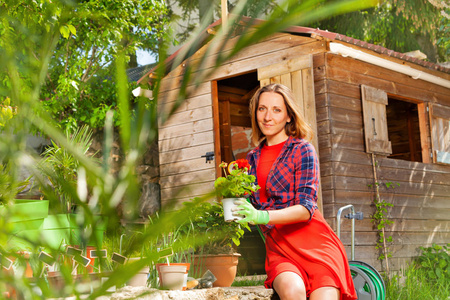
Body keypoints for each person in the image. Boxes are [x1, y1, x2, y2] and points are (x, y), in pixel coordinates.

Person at [234, 84, 357, 300]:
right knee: (292, 291)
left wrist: (261, 216)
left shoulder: (302, 150)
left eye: (277, 110)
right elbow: (247, 204)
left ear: (289, 116)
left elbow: (306, 208)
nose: (267, 117)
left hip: (316, 246)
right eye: (262, 109)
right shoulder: (251, 159)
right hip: (281, 249)